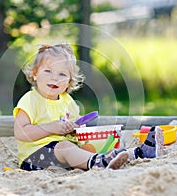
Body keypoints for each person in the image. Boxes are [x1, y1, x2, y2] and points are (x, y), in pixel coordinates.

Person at [13, 43, 164, 171]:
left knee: (99, 142)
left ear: (69, 81)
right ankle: (98, 162)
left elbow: (73, 134)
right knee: (64, 146)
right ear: (34, 74)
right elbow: (20, 133)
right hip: (34, 158)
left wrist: (73, 130)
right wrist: (51, 128)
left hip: (65, 153)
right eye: (48, 71)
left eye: (62, 74)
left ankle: (139, 153)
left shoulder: (68, 102)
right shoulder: (30, 100)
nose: (54, 78)